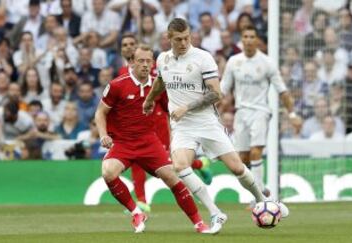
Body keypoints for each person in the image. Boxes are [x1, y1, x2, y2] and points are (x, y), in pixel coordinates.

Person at [143, 18, 289, 234]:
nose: (184, 43)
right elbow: (161, 82)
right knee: (180, 166)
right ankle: (215, 212)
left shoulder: (203, 58)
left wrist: (186, 107)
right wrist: (150, 99)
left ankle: (264, 200)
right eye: (178, 39)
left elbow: (216, 94)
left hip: (207, 123)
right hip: (182, 126)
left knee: (238, 168)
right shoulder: (163, 59)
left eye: (187, 38)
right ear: (169, 38)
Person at [95, 44, 211, 234]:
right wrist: (103, 135)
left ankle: (199, 223)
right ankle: (136, 212)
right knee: (108, 172)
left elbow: (171, 111)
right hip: (123, 142)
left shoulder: (158, 85)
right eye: (141, 61)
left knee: (174, 178)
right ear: (132, 62)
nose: (145, 65)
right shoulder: (117, 85)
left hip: (149, 142)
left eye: (149, 61)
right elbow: (100, 113)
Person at [220, 26, 299, 200]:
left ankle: (259, 197)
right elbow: (223, 89)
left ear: (257, 40)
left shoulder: (267, 63)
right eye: (245, 36)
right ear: (241, 40)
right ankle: (258, 189)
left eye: (252, 36)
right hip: (240, 112)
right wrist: (214, 108)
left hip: (260, 111)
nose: (248, 40)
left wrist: (292, 115)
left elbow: (282, 91)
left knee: (256, 152)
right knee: (242, 159)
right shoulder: (234, 61)